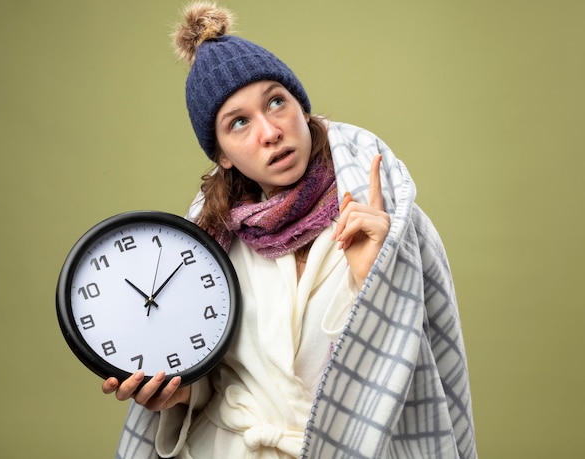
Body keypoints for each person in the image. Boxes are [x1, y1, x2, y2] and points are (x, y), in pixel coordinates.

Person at [103, 2, 477, 458]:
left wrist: (374, 280)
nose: (270, 131)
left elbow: (415, 369)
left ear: (302, 106)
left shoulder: (386, 217)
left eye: (276, 101)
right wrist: (182, 394)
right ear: (221, 154)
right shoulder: (208, 245)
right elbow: (221, 379)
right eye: (239, 122)